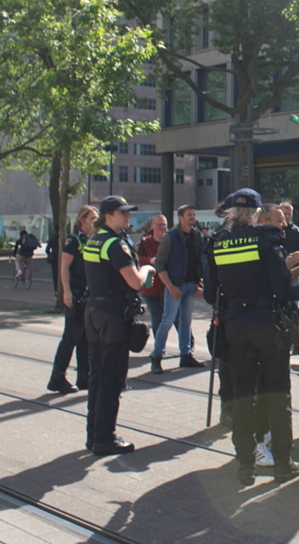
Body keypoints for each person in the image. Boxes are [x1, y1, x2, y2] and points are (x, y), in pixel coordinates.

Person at [204, 189, 299, 485]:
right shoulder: (267, 238)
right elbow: (282, 290)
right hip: (267, 326)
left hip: (234, 326)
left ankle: (245, 466)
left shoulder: (217, 242)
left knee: (243, 396)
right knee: (278, 395)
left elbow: (209, 293)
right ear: (256, 212)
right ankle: (283, 463)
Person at [82, 195, 157, 455]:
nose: (128, 216)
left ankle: (93, 434)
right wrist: (149, 269)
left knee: (97, 376)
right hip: (113, 314)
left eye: (128, 212)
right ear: (108, 216)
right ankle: (105, 438)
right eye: (122, 213)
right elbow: (135, 282)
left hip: (93, 311)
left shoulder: (94, 240)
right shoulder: (115, 244)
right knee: (112, 379)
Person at [48, 205, 97, 394]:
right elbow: (64, 266)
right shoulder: (74, 240)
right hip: (75, 294)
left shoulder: (90, 240)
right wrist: (66, 291)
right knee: (70, 336)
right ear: (82, 220)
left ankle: (84, 377)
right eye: (92, 218)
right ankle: (57, 378)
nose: (95, 222)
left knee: (85, 337)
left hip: (87, 295)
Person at [151, 205, 206, 373]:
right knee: (167, 321)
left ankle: (186, 355)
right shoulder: (171, 236)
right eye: (189, 215)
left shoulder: (197, 236)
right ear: (180, 217)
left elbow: (201, 262)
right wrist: (170, 286)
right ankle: (156, 357)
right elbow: (159, 264)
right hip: (175, 285)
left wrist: (201, 284)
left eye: (194, 214)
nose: (192, 217)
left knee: (186, 322)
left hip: (191, 285)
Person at [278, 201, 299, 355]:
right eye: (284, 214)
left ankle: (296, 343)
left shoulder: (297, 232)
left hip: (294, 274)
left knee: (293, 309)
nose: (286, 217)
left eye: (289, 214)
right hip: (276, 275)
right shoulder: (273, 231)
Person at [136, 214, 168, 349]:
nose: (162, 228)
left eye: (164, 225)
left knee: (179, 320)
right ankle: (160, 348)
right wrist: (150, 260)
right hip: (152, 288)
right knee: (157, 319)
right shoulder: (144, 242)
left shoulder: (172, 240)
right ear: (152, 226)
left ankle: (187, 349)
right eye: (159, 225)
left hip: (170, 287)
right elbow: (137, 261)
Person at [46, 231, 59, 297]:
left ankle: (56, 291)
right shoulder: (65, 238)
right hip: (63, 258)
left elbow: (47, 249)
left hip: (54, 259)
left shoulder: (52, 239)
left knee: (55, 276)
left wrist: (50, 254)